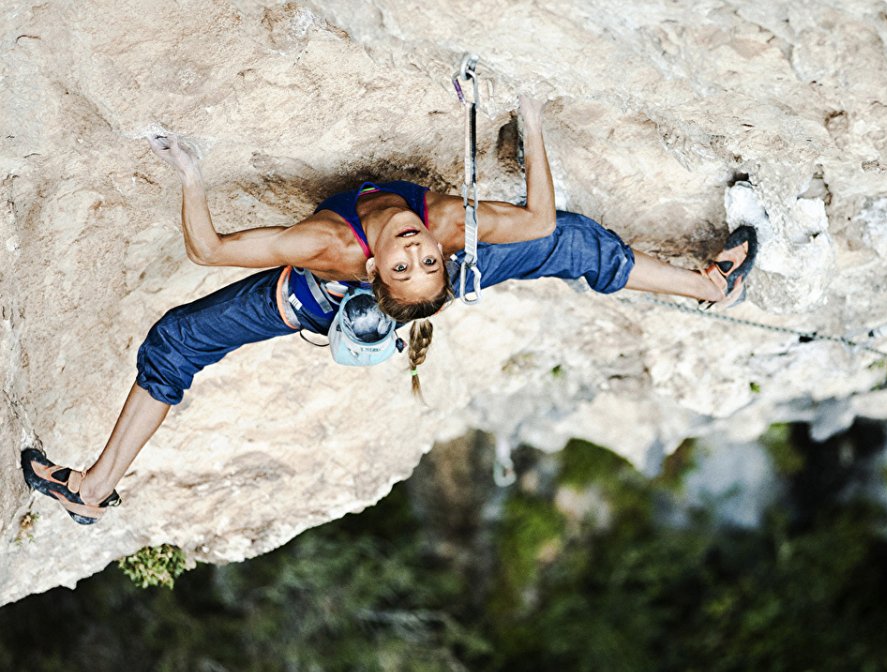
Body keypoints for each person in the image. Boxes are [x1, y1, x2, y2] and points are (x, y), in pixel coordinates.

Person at [21, 96, 757, 524]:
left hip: (315, 299)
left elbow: (211, 250)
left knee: (174, 342)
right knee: (569, 241)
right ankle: (89, 491)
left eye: (413, 260)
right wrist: (530, 118)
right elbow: (535, 224)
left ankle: (710, 288)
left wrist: (188, 170)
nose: (412, 247)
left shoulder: (376, 239)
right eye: (419, 257)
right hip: (388, 287)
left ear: (391, 268)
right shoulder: (391, 234)